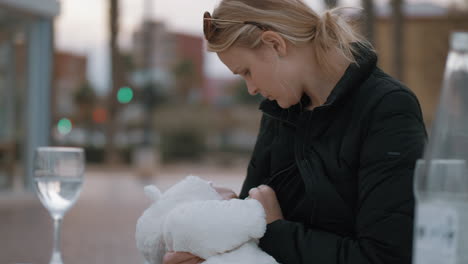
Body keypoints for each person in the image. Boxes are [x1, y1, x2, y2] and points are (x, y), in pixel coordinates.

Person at [163, 0, 427, 263]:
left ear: (275, 44)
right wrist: (215, 237)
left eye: (247, 72)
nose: (251, 88)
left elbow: (385, 257)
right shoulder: (279, 112)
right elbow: (253, 225)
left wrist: (276, 231)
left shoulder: (387, 108)